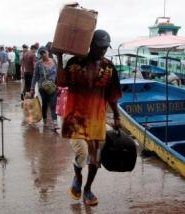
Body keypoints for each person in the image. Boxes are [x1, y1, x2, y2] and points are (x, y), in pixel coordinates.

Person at [56, 29, 122, 206]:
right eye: (99, 47)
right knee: (82, 152)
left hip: (97, 119)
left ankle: (88, 189)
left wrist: (116, 116)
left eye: (105, 48)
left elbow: (112, 95)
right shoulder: (75, 63)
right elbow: (61, 82)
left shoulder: (108, 67)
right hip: (75, 117)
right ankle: (77, 176)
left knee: (96, 159)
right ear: (90, 45)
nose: (102, 51)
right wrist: (60, 57)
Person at [30, 47, 58, 130]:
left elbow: (58, 74)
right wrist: (32, 88)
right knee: (45, 104)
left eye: (44, 52)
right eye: (41, 53)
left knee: (53, 104)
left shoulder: (54, 61)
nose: (43, 54)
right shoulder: (38, 64)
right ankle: (45, 119)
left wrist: (60, 85)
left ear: (48, 52)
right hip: (43, 88)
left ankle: (55, 123)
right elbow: (35, 77)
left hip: (53, 87)